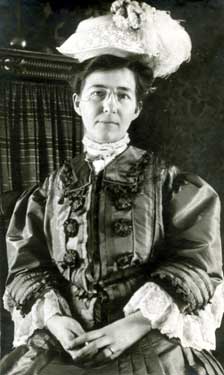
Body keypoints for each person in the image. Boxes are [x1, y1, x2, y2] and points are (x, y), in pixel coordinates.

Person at [1, 1, 224, 374]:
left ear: (136, 108)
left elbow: (197, 265)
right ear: (77, 103)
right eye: (98, 93)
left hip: (145, 337)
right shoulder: (49, 190)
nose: (109, 105)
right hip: (66, 338)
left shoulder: (169, 184)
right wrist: (56, 320)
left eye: (122, 95)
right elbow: (27, 266)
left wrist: (129, 327)